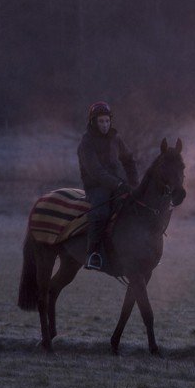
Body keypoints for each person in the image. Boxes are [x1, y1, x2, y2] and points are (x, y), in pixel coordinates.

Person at [77, 101, 138, 271]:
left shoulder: (115, 138)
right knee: (102, 212)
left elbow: (129, 160)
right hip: (96, 186)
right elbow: (95, 171)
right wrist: (118, 184)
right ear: (93, 122)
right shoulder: (86, 142)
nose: (104, 125)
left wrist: (134, 183)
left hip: (118, 184)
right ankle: (93, 253)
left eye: (107, 121)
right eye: (101, 121)